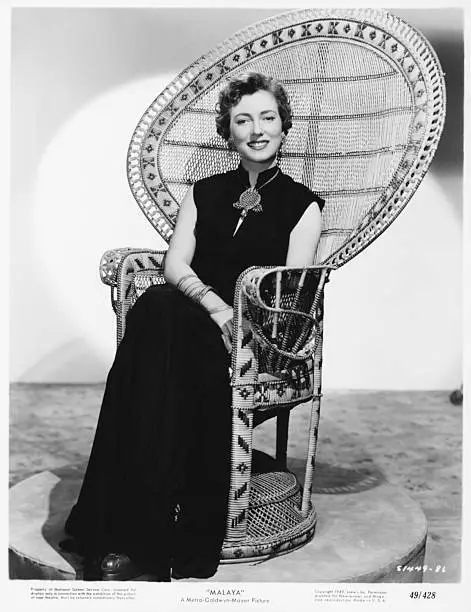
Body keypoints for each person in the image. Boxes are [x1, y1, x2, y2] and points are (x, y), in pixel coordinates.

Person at [60, 72, 324, 581]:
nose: (257, 129)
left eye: (267, 118)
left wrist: (237, 316)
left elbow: (290, 290)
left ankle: (134, 536)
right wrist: (214, 306)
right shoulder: (204, 192)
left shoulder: (304, 206)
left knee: (159, 331)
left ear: (284, 128)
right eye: (243, 120)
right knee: (160, 310)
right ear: (228, 132)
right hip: (200, 318)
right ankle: (129, 531)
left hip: (254, 334)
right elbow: (176, 264)